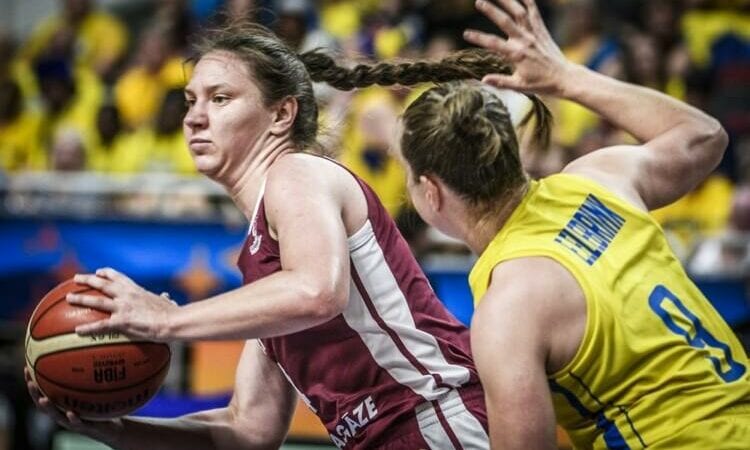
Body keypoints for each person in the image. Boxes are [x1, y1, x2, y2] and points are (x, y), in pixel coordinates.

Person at [20, 20, 539, 450]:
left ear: (281, 113)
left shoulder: (297, 173)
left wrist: (168, 320)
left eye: (220, 98)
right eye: (190, 100)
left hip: (435, 419)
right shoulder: (267, 273)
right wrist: (114, 430)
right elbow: (249, 429)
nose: (195, 117)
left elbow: (318, 291)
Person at [395, 0, 750, 448]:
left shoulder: (508, 309)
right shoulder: (599, 179)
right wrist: (567, 77)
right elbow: (705, 135)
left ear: (431, 191)